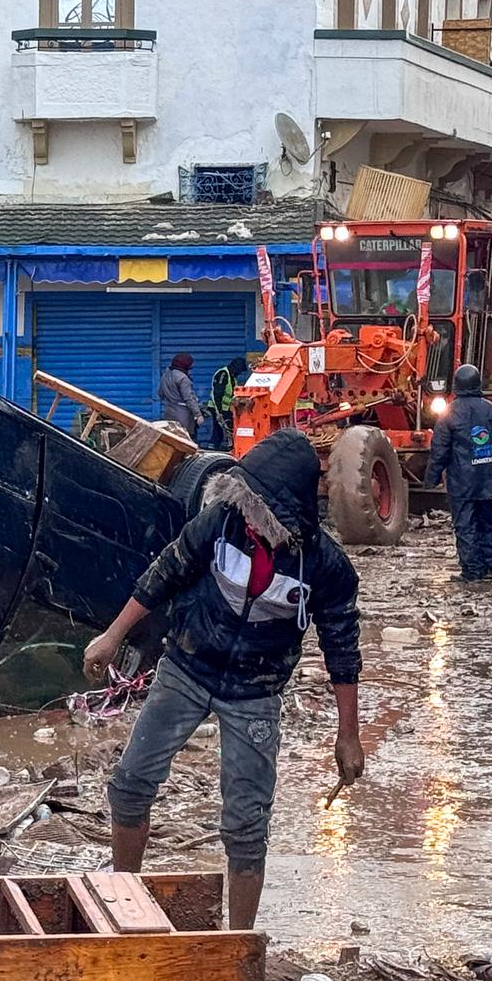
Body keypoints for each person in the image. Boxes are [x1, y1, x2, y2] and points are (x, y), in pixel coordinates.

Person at [83, 428, 365, 930]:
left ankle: (238, 940)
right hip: (188, 667)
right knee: (129, 786)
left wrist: (348, 734)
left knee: (246, 825)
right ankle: (124, 900)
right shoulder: (219, 524)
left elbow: (341, 650)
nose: (248, 516)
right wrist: (111, 636)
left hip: (255, 693)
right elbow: (164, 573)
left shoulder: (324, 567)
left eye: (257, 507)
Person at [424, 363, 492, 583]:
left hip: (462, 482)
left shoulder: (449, 414)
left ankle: (471, 570)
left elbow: (440, 451)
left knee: (465, 525)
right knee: (487, 523)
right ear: (478, 383)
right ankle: (488, 568)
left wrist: (431, 479)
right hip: (488, 480)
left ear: (456, 385)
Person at [206, 355, 249, 449]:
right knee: (219, 429)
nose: (240, 373)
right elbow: (217, 394)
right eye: (240, 371)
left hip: (226, 409)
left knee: (225, 429)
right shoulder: (223, 374)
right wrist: (219, 412)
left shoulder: (232, 376)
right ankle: (213, 447)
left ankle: (218, 446)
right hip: (218, 408)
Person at [158, 353, 203, 435]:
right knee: (185, 440)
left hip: (168, 413)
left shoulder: (166, 374)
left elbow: (160, 393)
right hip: (182, 416)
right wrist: (198, 414)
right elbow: (189, 398)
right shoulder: (183, 378)